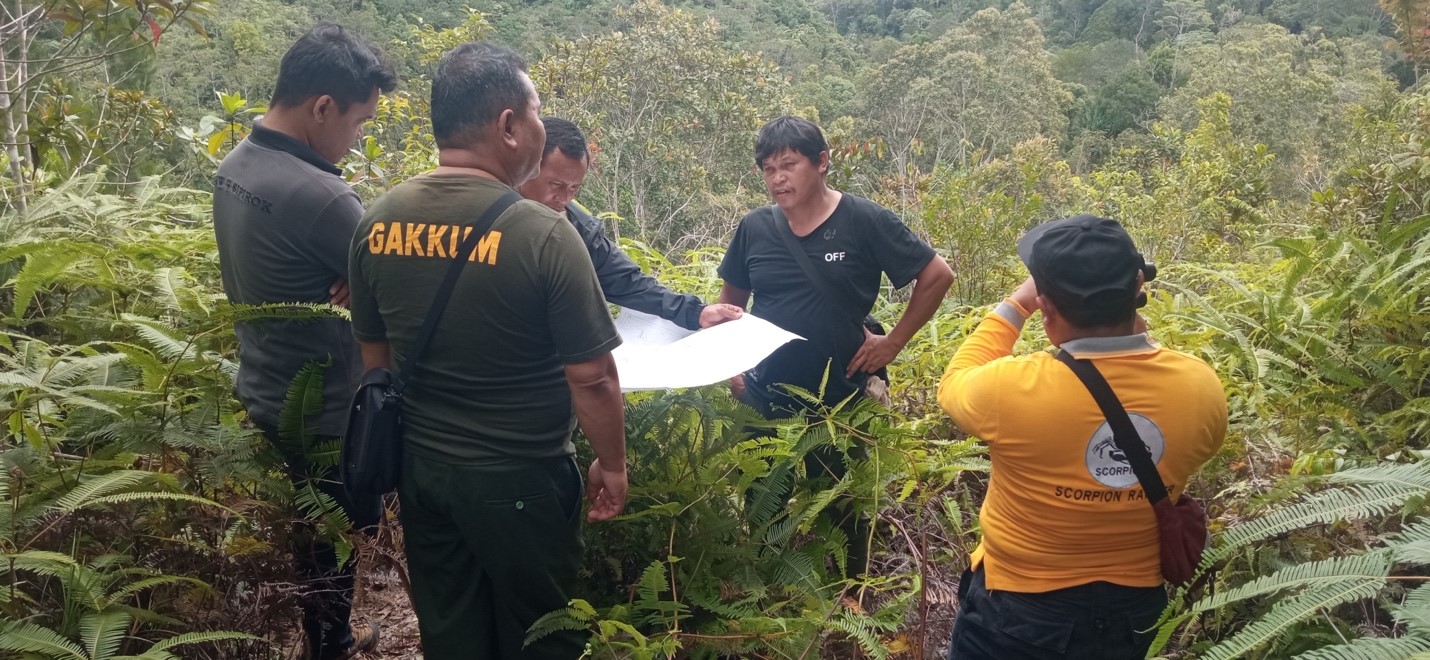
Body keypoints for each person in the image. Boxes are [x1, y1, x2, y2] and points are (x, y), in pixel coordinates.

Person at [347, 41, 628, 659]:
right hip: (520, 476)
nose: (536, 126)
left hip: (425, 474)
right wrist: (613, 463)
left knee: (451, 629)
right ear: (507, 125)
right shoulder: (543, 234)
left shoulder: (378, 219)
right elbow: (593, 377)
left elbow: (375, 355)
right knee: (544, 630)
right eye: (534, 114)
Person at [937, 215, 1227, 659]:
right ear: (1138, 288)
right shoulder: (1200, 388)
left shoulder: (1009, 391)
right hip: (1136, 615)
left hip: (1017, 610)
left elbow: (956, 378)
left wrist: (1017, 304)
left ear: (1047, 310)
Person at [211, 23, 394, 660]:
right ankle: (331, 646)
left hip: (268, 385)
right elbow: (396, 291)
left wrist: (356, 279)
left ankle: (325, 638)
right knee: (331, 539)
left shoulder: (236, 164)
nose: (358, 136)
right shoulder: (322, 196)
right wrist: (363, 283)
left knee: (309, 531)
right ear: (322, 107)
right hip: (326, 405)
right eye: (360, 121)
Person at [717, 115, 953, 576]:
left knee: (843, 503)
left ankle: (847, 599)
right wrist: (732, 364)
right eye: (768, 169)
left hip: (841, 393)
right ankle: (771, 601)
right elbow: (730, 304)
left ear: (822, 162)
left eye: (789, 164)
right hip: (766, 390)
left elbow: (937, 275)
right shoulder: (755, 227)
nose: (778, 178)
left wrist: (894, 342)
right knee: (764, 501)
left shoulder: (864, 220)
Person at [518, 116, 743, 330]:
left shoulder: (578, 228)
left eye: (574, 188)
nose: (565, 199)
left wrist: (696, 312)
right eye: (556, 185)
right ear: (528, 166)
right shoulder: (491, 212)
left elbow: (627, 281)